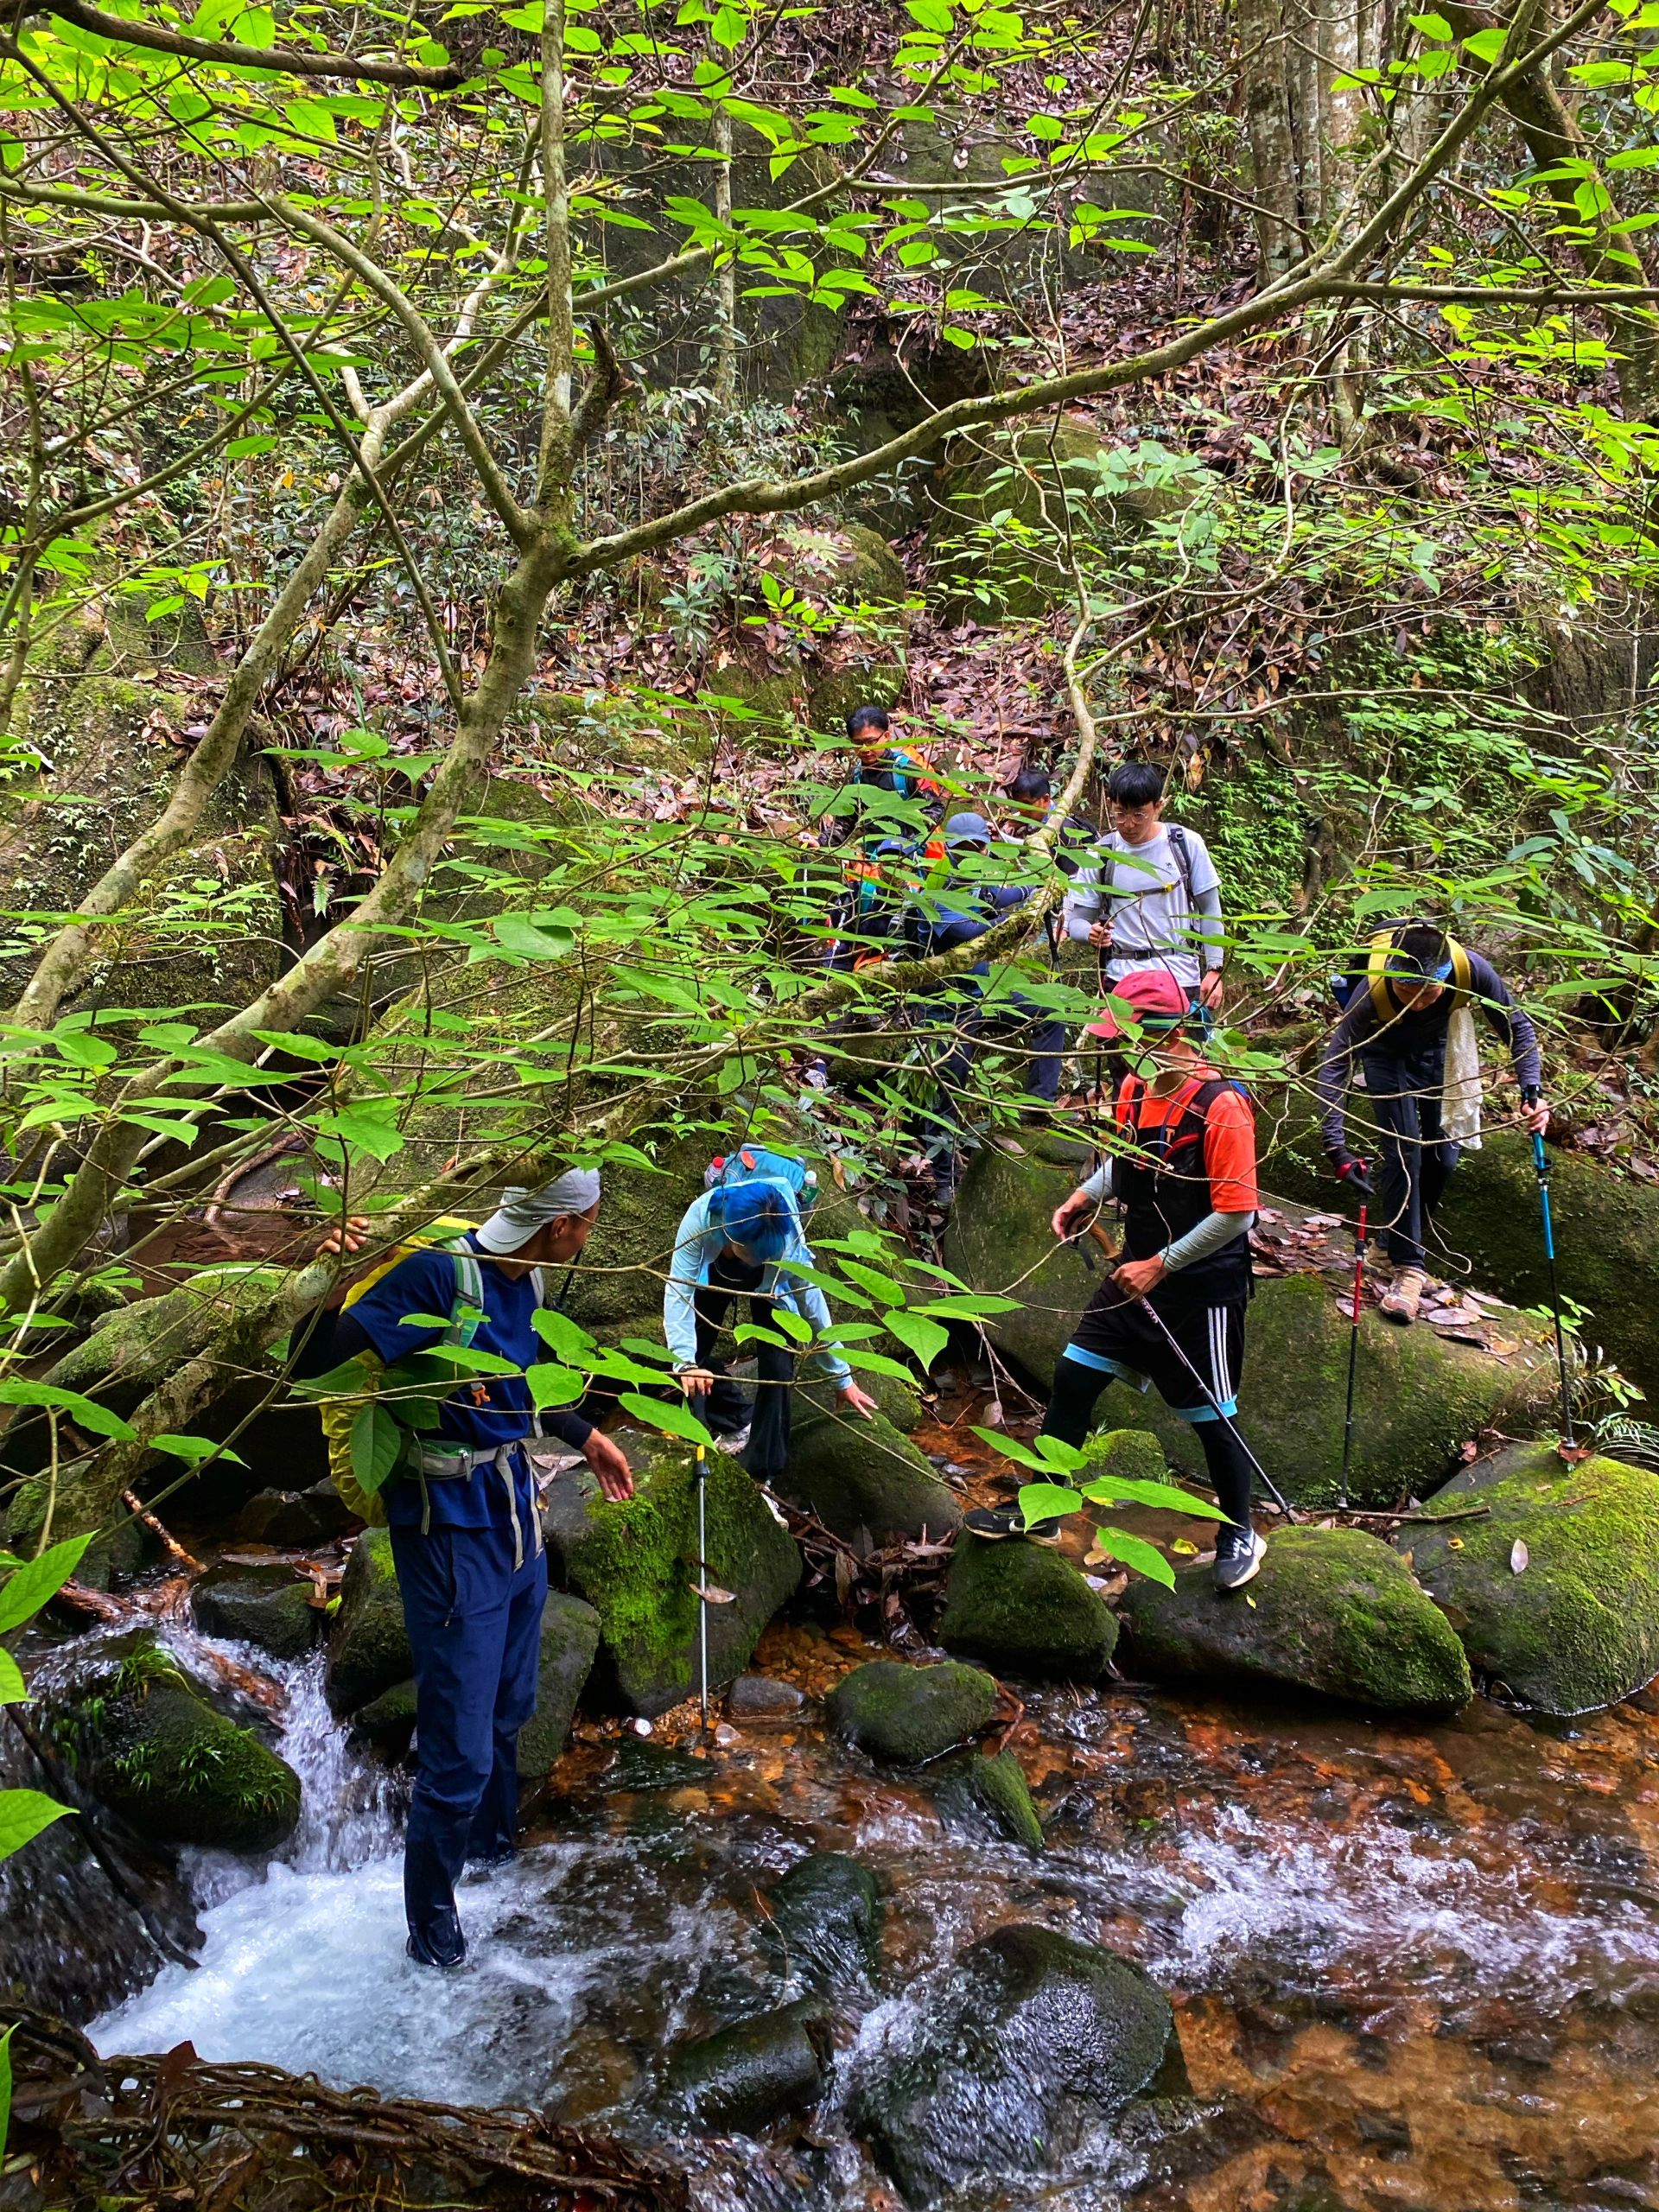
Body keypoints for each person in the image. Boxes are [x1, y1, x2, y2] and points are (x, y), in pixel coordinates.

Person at [297, 1170, 633, 1971]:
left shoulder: (528, 1278)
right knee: (458, 1752)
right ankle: (432, 1927)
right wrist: (327, 1283)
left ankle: (492, 1852)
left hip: (514, 1512)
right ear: (560, 1226)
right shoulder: (435, 1278)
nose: (590, 1238)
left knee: (512, 1703)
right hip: (448, 1530)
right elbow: (316, 1366)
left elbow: (523, 1379)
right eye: (587, 1223)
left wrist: (585, 1436)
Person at [965, 969, 1267, 1592]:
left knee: (1211, 1413)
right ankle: (1043, 1510)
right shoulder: (1135, 1087)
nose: (1118, 1049)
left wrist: (1163, 1264)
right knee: (1074, 1377)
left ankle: (1240, 1529)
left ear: (1168, 1035)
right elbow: (1125, 1165)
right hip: (1138, 1273)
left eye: (1127, 1038)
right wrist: (1082, 1194)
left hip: (1200, 1286)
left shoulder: (1222, 1106)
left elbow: (1237, 1213)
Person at [1319, 918, 1549, 1323]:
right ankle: (1409, 1268)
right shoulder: (1369, 993)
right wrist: (1335, 1145)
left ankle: (1389, 1243)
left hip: (1436, 1052)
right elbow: (1336, 1063)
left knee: (1444, 1159)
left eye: (1428, 991)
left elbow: (1516, 1027)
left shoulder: (1471, 969)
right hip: (1383, 1053)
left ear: (1445, 979)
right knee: (1404, 1152)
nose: (1417, 1002)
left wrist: (1532, 1091)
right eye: (1407, 990)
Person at [667, 1170, 880, 1476]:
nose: (753, 1259)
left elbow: (811, 1301)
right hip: (716, 1273)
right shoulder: (701, 1220)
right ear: (729, 1235)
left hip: (772, 1287)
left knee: (779, 1371)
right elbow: (679, 1292)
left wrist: (841, 1377)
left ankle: (762, 1471)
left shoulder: (786, 1235)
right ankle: (723, 1426)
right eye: (749, 1254)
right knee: (688, 1358)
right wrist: (685, 1363)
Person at [911, 810, 1065, 1200]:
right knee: (947, 1088)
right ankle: (942, 1180)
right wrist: (1010, 917)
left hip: (986, 995)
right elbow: (962, 934)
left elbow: (1017, 893)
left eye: (978, 846)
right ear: (949, 849)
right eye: (964, 847)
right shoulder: (939, 885)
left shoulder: (982, 885)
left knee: (1051, 1010)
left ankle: (1038, 1105)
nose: (972, 853)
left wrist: (1040, 887)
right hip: (947, 1007)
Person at [1063, 760, 1225, 1010]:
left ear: (1158, 806)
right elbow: (1076, 922)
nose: (1128, 824)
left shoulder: (1185, 845)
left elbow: (1210, 909)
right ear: (1110, 805)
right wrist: (1090, 933)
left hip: (1179, 976)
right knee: (1115, 1049)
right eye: (1120, 813)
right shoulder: (1101, 855)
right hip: (1121, 979)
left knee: (1180, 1050)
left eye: (1139, 814)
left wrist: (1214, 968)